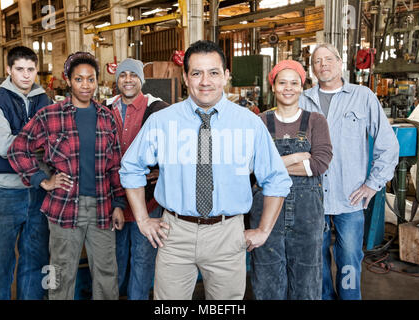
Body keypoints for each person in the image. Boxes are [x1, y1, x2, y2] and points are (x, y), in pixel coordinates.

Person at [119, 40, 292, 300]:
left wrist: (264, 230)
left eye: (213, 72)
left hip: (227, 235)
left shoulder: (249, 124)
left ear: (225, 76)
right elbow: (131, 167)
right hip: (174, 234)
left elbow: (276, 179)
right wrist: (143, 219)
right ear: (186, 78)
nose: (205, 81)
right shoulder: (162, 122)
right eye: (196, 73)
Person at [8, 52, 125, 300]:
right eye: (79, 79)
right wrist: (42, 180)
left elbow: (114, 165)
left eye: (90, 79)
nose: (85, 85)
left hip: (102, 207)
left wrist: (118, 204)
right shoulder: (50, 115)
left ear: (97, 81)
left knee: (107, 273)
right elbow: (18, 148)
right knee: (61, 273)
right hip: (64, 206)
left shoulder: (106, 117)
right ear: (69, 80)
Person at [299, 43, 400, 300]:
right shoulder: (302, 99)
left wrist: (372, 184)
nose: (323, 64)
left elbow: (387, 144)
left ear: (340, 62)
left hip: (350, 197)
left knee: (349, 261)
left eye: (328, 59)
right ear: (312, 69)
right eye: (317, 61)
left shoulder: (363, 96)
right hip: (311, 198)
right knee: (314, 261)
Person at [250, 60, 333, 300]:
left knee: (307, 275)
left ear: (302, 87)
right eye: (282, 82)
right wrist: (297, 157)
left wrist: (272, 164)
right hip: (265, 210)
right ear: (273, 86)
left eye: (294, 83)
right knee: (267, 273)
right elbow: (252, 166)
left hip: (307, 215)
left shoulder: (316, 121)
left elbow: (318, 164)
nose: (288, 88)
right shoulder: (259, 122)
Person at [0, 46, 52, 300]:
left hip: (39, 191)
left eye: (30, 69)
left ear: (36, 71)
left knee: (35, 261)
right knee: (0, 265)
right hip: (5, 192)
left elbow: (55, 141)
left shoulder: (46, 102)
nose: (25, 75)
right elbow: (3, 146)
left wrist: (25, 144)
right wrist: (40, 145)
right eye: (19, 69)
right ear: (9, 70)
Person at [103, 58, 168, 299]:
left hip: (147, 200)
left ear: (142, 79)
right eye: (122, 75)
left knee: (142, 260)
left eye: (133, 75)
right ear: (116, 79)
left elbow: (173, 145)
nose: (128, 79)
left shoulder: (158, 109)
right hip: (113, 200)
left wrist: (163, 170)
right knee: (113, 260)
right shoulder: (104, 108)